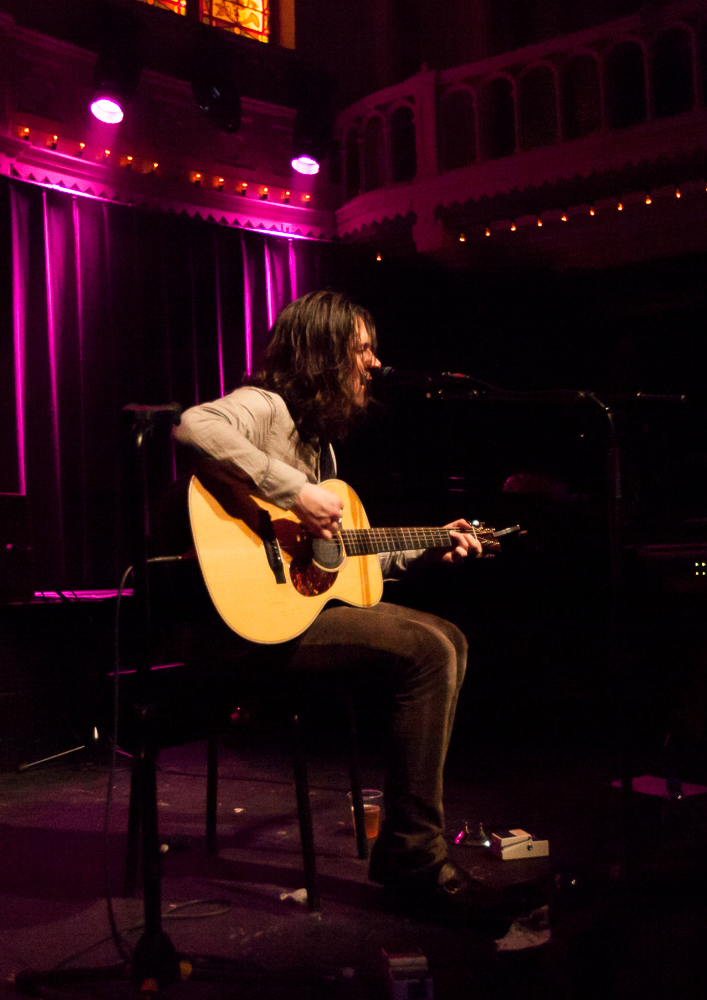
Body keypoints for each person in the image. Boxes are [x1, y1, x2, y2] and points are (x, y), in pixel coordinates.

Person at [172, 289, 502, 918]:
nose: (374, 363)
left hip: (294, 619)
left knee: (449, 638)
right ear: (322, 353)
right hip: (233, 634)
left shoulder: (321, 445)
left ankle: (409, 850)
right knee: (431, 649)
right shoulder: (263, 407)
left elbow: (345, 564)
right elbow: (193, 427)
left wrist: (428, 550)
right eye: (361, 349)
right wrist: (293, 490)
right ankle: (415, 860)